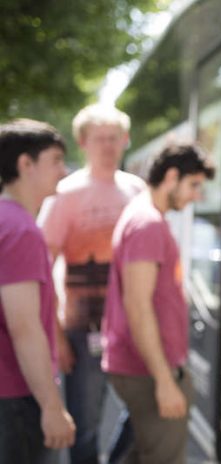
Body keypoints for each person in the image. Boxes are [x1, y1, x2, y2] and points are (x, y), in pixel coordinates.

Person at [38, 104, 144, 464]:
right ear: (83, 142)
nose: (108, 146)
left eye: (114, 138)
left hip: (132, 325)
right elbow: (43, 267)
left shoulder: (136, 191)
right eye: (100, 139)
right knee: (84, 425)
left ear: (126, 140)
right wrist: (56, 335)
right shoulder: (65, 194)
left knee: (145, 410)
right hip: (83, 329)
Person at [101, 142, 215, 464]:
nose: (196, 196)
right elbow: (138, 306)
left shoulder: (145, 216)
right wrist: (165, 381)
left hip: (145, 366)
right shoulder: (147, 223)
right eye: (193, 185)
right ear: (171, 176)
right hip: (148, 371)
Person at [0, 119, 75, 462]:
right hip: (17, 398)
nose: (64, 170)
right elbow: (24, 326)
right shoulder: (20, 230)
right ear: (25, 164)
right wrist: (51, 406)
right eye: (56, 160)